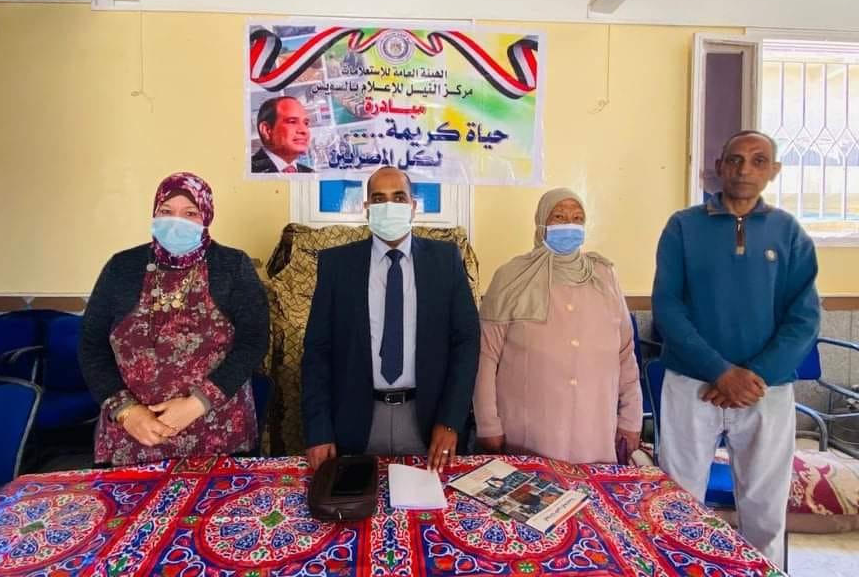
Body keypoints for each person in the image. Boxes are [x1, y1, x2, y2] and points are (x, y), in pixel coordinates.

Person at [652, 131, 820, 567]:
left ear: (774, 171)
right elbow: (668, 307)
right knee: (678, 502)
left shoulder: (789, 233)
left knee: (765, 509)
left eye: (758, 160)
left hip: (766, 390)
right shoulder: (683, 227)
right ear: (719, 166)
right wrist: (720, 372)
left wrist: (753, 376)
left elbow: (804, 318)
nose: (745, 169)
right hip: (693, 384)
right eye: (735, 159)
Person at [79, 172, 269, 466]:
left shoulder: (232, 266)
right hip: (131, 440)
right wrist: (126, 411)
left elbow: (253, 342)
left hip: (218, 438)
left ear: (206, 216)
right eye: (166, 211)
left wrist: (198, 403)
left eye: (190, 213)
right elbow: (92, 347)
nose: (176, 222)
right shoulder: (121, 267)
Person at [301, 166, 479, 472]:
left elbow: (466, 342)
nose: (389, 206)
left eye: (398, 198)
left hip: (427, 420)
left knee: (430, 500)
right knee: (356, 501)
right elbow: (317, 351)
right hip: (356, 419)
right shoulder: (336, 264)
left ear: (412, 206)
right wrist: (319, 430)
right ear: (367, 208)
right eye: (379, 198)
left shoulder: (445, 260)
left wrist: (451, 420)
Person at [473, 188, 642, 464]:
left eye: (577, 218)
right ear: (541, 222)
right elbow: (486, 355)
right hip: (528, 432)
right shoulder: (512, 276)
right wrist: (488, 423)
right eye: (559, 217)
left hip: (593, 431)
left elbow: (625, 353)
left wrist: (631, 418)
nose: (569, 225)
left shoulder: (604, 276)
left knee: (589, 490)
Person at [251, 96, 313, 173]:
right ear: (267, 130)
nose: (304, 130)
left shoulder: (310, 173)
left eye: (306, 123)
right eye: (292, 122)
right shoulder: (248, 170)